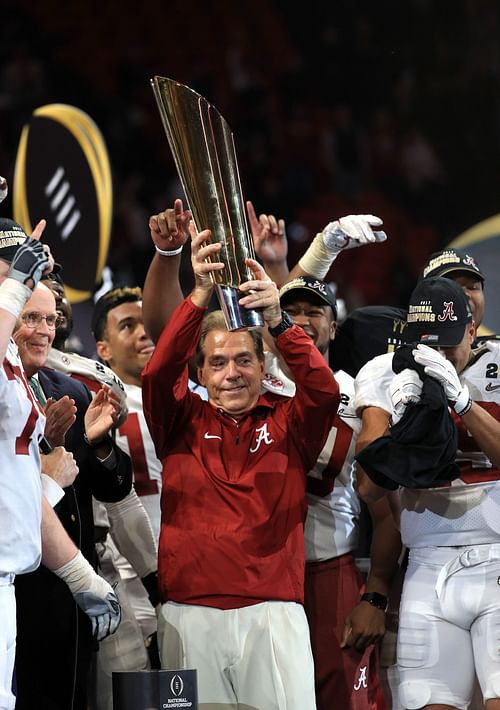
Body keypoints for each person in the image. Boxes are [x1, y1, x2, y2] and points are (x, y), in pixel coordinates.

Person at [141, 220, 340, 709]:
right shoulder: (179, 421)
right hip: (187, 616)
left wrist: (278, 321)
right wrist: (199, 296)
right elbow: (157, 373)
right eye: (218, 362)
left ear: (261, 365)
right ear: (202, 373)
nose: (231, 373)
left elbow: (325, 390)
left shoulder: (290, 424)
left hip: (272, 613)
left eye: (243, 361)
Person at [354, 276, 500, 709]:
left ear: (472, 331)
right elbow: (368, 487)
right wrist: (402, 426)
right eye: (429, 346)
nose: (440, 357)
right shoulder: (387, 371)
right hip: (427, 566)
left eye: (449, 345)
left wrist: (462, 402)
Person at [0, 216, 121, 710]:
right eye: (30, 314)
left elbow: (13, 489)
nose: (44, 330)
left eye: (51, 318)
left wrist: (78, 575)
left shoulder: (31, 369)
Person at [38, 272, 158, 710]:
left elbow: (117, 493)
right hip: (27, 571)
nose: (55, 293)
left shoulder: (84, 380)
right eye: (36, 281)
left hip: (99, 560)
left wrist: (154, 576)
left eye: (56, 282)